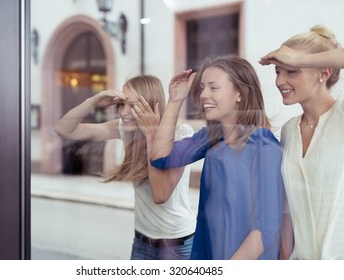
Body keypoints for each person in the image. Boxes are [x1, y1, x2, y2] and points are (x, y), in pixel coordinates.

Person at [150, 54, 284, 260]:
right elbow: (160, 157)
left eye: (214, 87)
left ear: (241, 93)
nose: (203, 94)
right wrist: (176, 100)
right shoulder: (210, 139)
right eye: (202, 87)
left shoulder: (263, 145)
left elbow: (266, 230)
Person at [54, 75, 196, 260]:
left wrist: (151, 135)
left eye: (133, 105)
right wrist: (92, 101)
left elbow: (161, 194)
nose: (124, 112)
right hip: (142, 242)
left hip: (178, 245)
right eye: (122, 105)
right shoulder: (126, 129)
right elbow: (64, 130)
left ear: (150, 104)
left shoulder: (180, 134)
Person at [259, 25, 344, 259]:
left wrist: (303, 57)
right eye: (278, 71)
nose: (279, 81)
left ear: (324, 73)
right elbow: (289, 205)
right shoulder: (289, 131)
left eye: (291, 71)